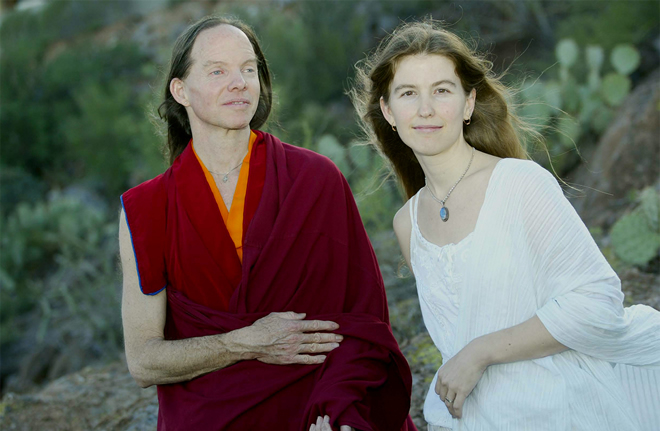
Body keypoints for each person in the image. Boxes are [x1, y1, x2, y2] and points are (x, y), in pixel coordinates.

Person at [349, 20, 660, 431]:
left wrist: (480, 353)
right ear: (389, 110)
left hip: (559, 407)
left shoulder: (518, 184)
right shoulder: (407, 223)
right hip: (473, 418)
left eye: (442, 90)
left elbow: (596, 301)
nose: (425, 109)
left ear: (468, 103)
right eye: (409, 93)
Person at [119, 16, 417, 431]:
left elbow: (362, 325)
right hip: (206, 419)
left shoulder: (314, 179)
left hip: (314, 413)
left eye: (248, 68)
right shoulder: (146, 207)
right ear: (180, 90)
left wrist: (340, 414)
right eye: (217, 71)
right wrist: (240, 343)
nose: (239, 82)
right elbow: (143, 361)